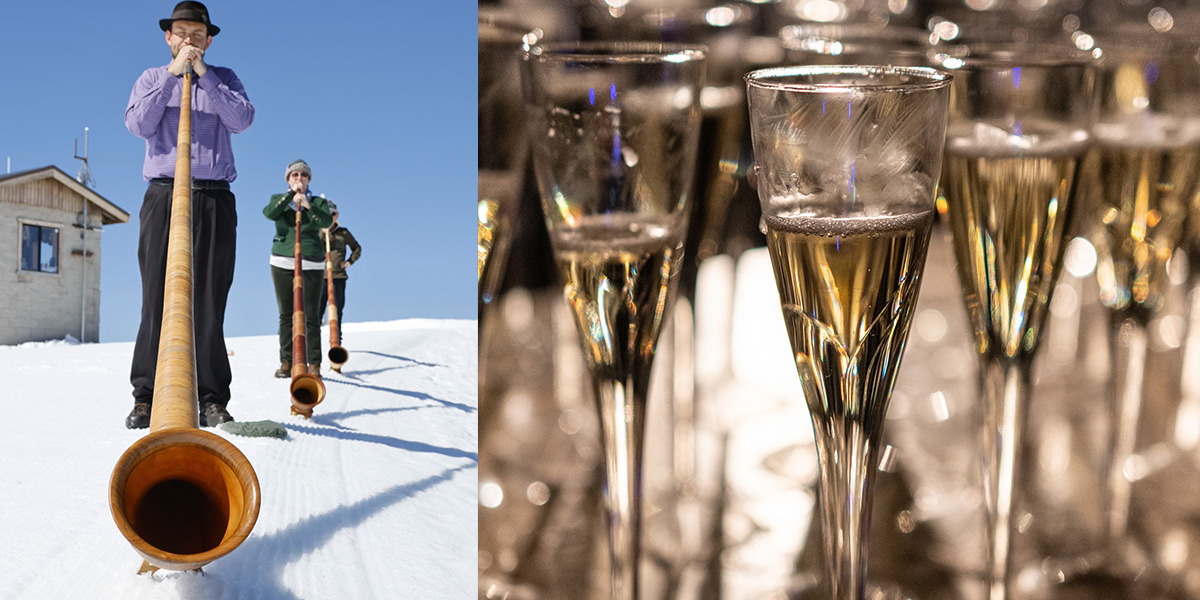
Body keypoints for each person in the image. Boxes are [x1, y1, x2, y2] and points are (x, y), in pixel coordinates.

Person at [124, 1, 254, 429]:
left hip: (214, 196)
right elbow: (138, 125)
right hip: (163, 194)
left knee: (210, 300)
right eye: (182, 33)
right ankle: (147, 396)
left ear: (209, 40)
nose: (190, 41)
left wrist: (204, 77)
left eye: (198, 35)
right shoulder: (149, 78)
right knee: (155, 297)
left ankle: (211, 397)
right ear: (168, 37)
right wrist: (171, 76)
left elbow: (242, 119)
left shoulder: (225, 79)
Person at [265, 159, 333, 379]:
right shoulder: (279, 199)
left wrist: (308, 205)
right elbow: (270, 213)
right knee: (286, 314)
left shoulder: (319, 203)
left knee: (311, 315)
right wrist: (289, 198)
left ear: (309, 180)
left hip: (311, 261)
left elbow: (325, 222)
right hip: (282, 261)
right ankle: (286, 361)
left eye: (303, 176)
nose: (299, 179)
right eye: (294, 175)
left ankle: (314, 363)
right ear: (288, 179)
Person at [319, 203, 362, 335]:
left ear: (336, 215)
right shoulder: (317, 232)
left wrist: (349, 262)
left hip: (338, 277)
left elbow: (357, 248)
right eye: (327, 214)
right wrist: (322, 233)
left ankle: (336, 339)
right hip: (320, 278)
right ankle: (313, 342)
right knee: (317, 311)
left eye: (333, 214)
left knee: (337, 310)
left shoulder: (343, 233)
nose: (330, 217)